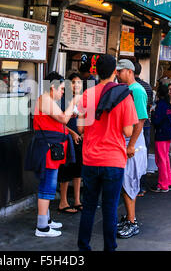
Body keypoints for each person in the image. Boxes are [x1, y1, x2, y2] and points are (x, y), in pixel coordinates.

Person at [76, 54, 138, 251]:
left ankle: (83, 247)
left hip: (91, 159)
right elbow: (128, 131)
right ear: (114, 72)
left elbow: (80, 129)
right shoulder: (124, 95)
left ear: (95, 71)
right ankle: (109, 248)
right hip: (114, 160)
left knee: (89, 207)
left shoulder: (87, 95)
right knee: (110, 208)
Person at [24, 71, 80, 237]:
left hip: (51, 147)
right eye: (62, 89)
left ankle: (46, 220)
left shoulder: (48, 100)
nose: (63, 92)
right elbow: (63, 118)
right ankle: (42, 227)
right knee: (48, 185)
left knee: (47, 183)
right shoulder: (45, 100)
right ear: (53, 87)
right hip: (47, 149)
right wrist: (73, 103)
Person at [115, 59, 148, 239]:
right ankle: (129, 218)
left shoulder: (137, 90)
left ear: (129, 71)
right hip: (127, 142)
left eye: (120, 72)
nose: (118, 75)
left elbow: (140, 120)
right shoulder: (127, 90)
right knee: (126, 183)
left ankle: (132, 221)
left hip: (133, 144)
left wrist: (131, 144)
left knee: (130, 184)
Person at [58, 73, 83, 214]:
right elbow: (60, 122)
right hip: (67, 138)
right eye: (73, 82)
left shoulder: (82, 100)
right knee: (66, 170)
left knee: (78, 170)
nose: (76, 85)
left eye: (79, 82)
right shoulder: (64, 100)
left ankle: (77, 200)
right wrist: (73, 133)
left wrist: (83, 132)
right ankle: (63, 201)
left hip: (80, 139)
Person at [134, 61, 153, 197]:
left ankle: (134, 186)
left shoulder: (130, 87)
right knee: (142, 156)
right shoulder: (147, 87)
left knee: (132, 156)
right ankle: (142, 186)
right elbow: (150, 105)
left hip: (134, 125)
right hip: (146, 124)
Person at [151, 84, 171, 192]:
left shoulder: (160, 105)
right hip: (168, 133)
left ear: (159, 94)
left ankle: (162, 184)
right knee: (165, 158)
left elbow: (156, 121)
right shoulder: (168, 105)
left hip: (160, 134)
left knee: (161, 160)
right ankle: (169, 181)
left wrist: (152, 114)